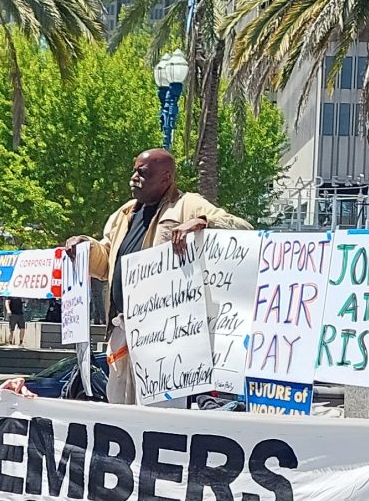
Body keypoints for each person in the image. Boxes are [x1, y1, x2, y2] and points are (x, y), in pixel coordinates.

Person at [70, 148, 250, 404]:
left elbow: (242, 227)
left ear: (166, 178)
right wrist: (84, 248)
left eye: (142, 173)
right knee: (118, 408)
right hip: (123, 330)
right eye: (134, 171)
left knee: (159, 412)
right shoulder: (125, 214)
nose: (134, 178)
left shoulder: (187, 204)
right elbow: (105, 263)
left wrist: (202, 221)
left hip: (164, 338)